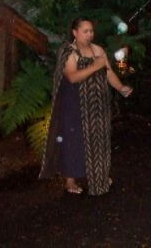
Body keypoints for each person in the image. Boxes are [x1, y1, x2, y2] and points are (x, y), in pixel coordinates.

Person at [39, 18, 133, 195]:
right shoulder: (68, 51)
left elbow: (109, 72)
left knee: (98, 138)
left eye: (91, 31)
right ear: (75, 32)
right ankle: (70, 181)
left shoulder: (98, 50)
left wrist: (121, 87)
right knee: (74, 140)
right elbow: (72, 77)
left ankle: (98, 175)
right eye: (85, 31)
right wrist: (95, 65)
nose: (89, 34)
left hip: (96, 103)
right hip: (74, 103)